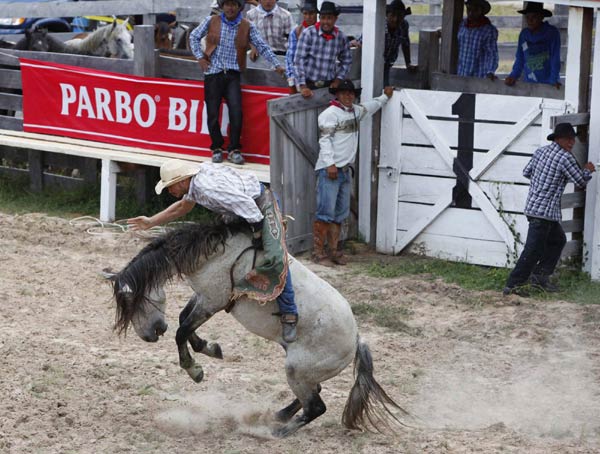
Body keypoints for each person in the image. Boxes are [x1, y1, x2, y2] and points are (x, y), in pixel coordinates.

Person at [127, 159, 299, 343]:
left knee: (275, 256)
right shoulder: (195, 184)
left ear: (183, 180)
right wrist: (151, 221)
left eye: (171, 186)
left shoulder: (208, 189)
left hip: (260, 204)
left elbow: (249, 208)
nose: (170, 191)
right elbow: (183, 207)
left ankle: (290, 314)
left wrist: (258, 234)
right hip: (241, 208)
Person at [503, 123, 595, 296]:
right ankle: (513, 285)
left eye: (572, 139)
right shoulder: (564, 158)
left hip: (535, 207)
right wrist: (588, 170)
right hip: (544, 211)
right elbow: (580, 181)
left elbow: (527, 172)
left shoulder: (540, 152)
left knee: (557, 240)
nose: (571, 142)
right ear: (558, 139)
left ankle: (539, 279)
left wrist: (545, 181)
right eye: (568, 139)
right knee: (533, 249)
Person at [189, 0, 285, 166]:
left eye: (234, 4)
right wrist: (200, 58)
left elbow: (262, 46)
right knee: (212, 113)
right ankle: (217, 148)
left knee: (236, 111)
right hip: (213, 72)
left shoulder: (247, 25)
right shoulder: (212, 21)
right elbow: (193, 36)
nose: (230, 8)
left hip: (233, 74)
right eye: (227, 4)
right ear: (222, 6)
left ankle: (234, 149)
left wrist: (276, 64)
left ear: (239, 7)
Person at [313, 80, 394, 266]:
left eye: (351, 93)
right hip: (330, 169)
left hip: (344, 170)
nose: (348, 96)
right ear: (337, 95)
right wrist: (330, 164)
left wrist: (384, 96)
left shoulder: (356, 111)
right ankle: (317, 253)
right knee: (325, 212)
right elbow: (324, 141)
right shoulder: (329, 114)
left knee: (340, 213)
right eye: (344, 93)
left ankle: (333, 251)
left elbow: (372, 106)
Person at [349, 0, 416, 86]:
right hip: (370, 61)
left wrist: (408, 63)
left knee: (384, 86)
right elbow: (364, 41)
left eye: (399, 16)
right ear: (387, 14)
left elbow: (405, 43)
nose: (395, 19)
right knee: (368, 85)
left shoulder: (404, 25)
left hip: (387, 62)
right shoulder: (377, 23)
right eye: (393, 15)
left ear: (403, 17)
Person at [293, 1, 352, 98]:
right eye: (323, 18)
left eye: (329, 18)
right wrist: (303, 86)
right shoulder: (308, 33)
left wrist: (338, 79)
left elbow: (347, 61)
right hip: (309, 85)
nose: (326, 22)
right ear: (319, 18)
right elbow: (299, 61)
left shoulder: (341, 37)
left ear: (335, 19)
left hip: (329, 85)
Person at [504, 2, 561, 88]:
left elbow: (555, 58)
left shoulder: (551, 33)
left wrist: (553, 80)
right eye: (527, 17)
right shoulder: (524, 35)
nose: (530, 20)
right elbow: (520, 58)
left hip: (549, 82)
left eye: (534, 17)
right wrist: (513, 76)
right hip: (529, 82)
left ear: (541, 17)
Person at [456, 0, 498, 79]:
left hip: (479, 75)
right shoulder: (463, 25)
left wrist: (490, 71)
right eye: (469, 9)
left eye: (475, 10)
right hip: (462, 73)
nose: (471, 13)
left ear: (481, 11)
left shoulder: (488, 30)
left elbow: (491, 53)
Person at [285, 1, 318, 94]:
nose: (308, 17)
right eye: (305, 14)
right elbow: (290, 57)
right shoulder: (296, 31)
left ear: (316, 14)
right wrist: (291, 78)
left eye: (311, 13)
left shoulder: (322, 30)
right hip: (301, 77)